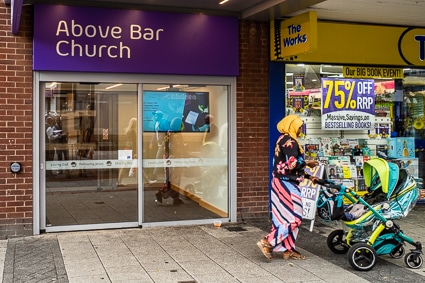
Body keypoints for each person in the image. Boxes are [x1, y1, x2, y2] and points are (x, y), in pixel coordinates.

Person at [257, 114, 319, 260]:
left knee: (283, 217)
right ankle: (268, 241)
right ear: (292, 126)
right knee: (295, 218)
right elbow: (292, 164)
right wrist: (308, 163)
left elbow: (284, 165)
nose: (300, 129)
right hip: (287, 184)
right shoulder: (290, 142)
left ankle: (288, 249)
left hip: (279, 181)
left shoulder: (281, 139)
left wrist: (309, 177)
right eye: (299, 126)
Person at [149, 110, 170, 181]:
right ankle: (165, 177)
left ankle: (154, 176)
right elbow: (155, 134)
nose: (155, 116)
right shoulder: (156, 123)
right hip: (160, 144)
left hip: (163, 145)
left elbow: (167, 133)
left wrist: (165, 143)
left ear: (160, 116)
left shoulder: (164, 122)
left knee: (159, 159)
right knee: (163, 160)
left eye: (156, 115)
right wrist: (151, 142)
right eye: (154, 115)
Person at [117, 118, 138, 187]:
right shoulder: (132, 131)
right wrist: (135, 152)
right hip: (130, 150)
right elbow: (133, 143)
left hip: (126, 149)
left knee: (125, 166)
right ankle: (119, 181)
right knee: (125, 166)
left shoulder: (127, 131)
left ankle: (147, 180)